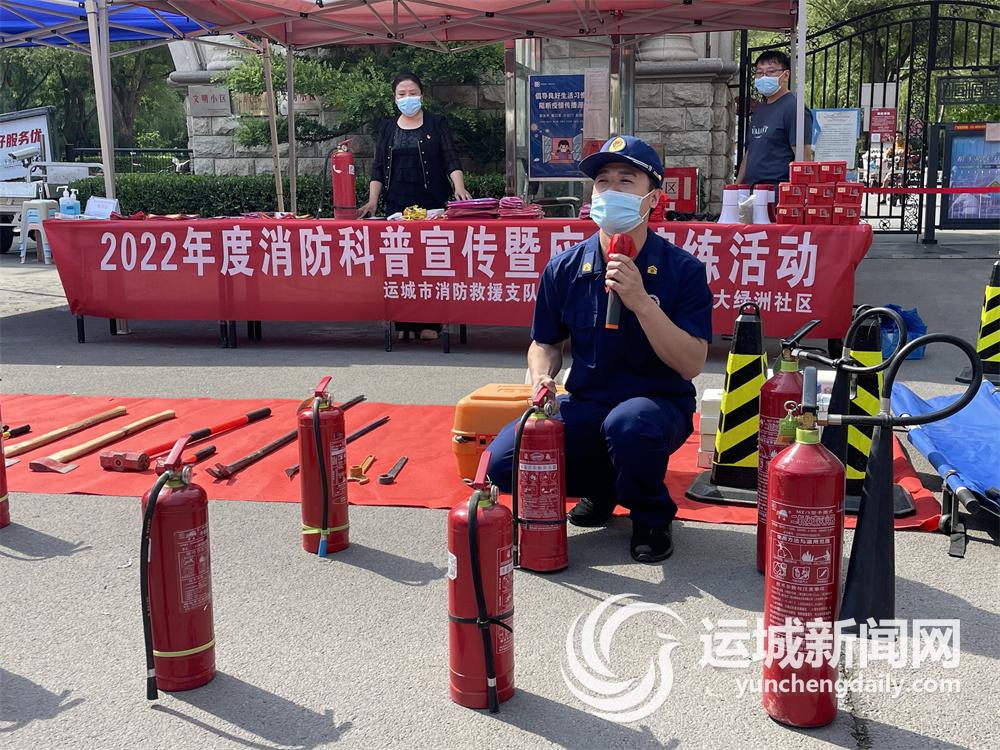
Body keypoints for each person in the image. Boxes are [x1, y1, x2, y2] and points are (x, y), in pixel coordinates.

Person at [486, 136, 713, 564]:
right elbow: (545, 342)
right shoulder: (566, 267)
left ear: (652, 198)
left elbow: (691, 363)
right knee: (503, 462)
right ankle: (604, 487)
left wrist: (641, 302)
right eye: (602, 182)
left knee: (629, 426)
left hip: (656, 405)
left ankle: (651, 515)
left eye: (626, 181)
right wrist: (542, 376)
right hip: (589, 402)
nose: (611, 191)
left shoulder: (682, 270)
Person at [359, 72, 473, 341]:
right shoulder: (388, 127)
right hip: (397, 202)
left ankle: (431, 324)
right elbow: (378, 167)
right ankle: (403, 324)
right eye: (402, 94)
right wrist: (373, 200)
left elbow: (451, 159)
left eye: (412, 93)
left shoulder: (436, 123)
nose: (407, 98)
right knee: (399, 264)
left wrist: (459, 186)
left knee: (431, 262)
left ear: (421, 95)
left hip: (431, 201)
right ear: (394, 98)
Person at [735, 51, 813, 189]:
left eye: (770, 72)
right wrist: (736, 187)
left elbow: (803, 157)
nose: (764, 77)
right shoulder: (760, 109)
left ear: (786, 75)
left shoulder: (794, 108)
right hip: (754, 192)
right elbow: (750, 152)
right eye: (759, 72)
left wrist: (794, 193)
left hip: (777, 191)